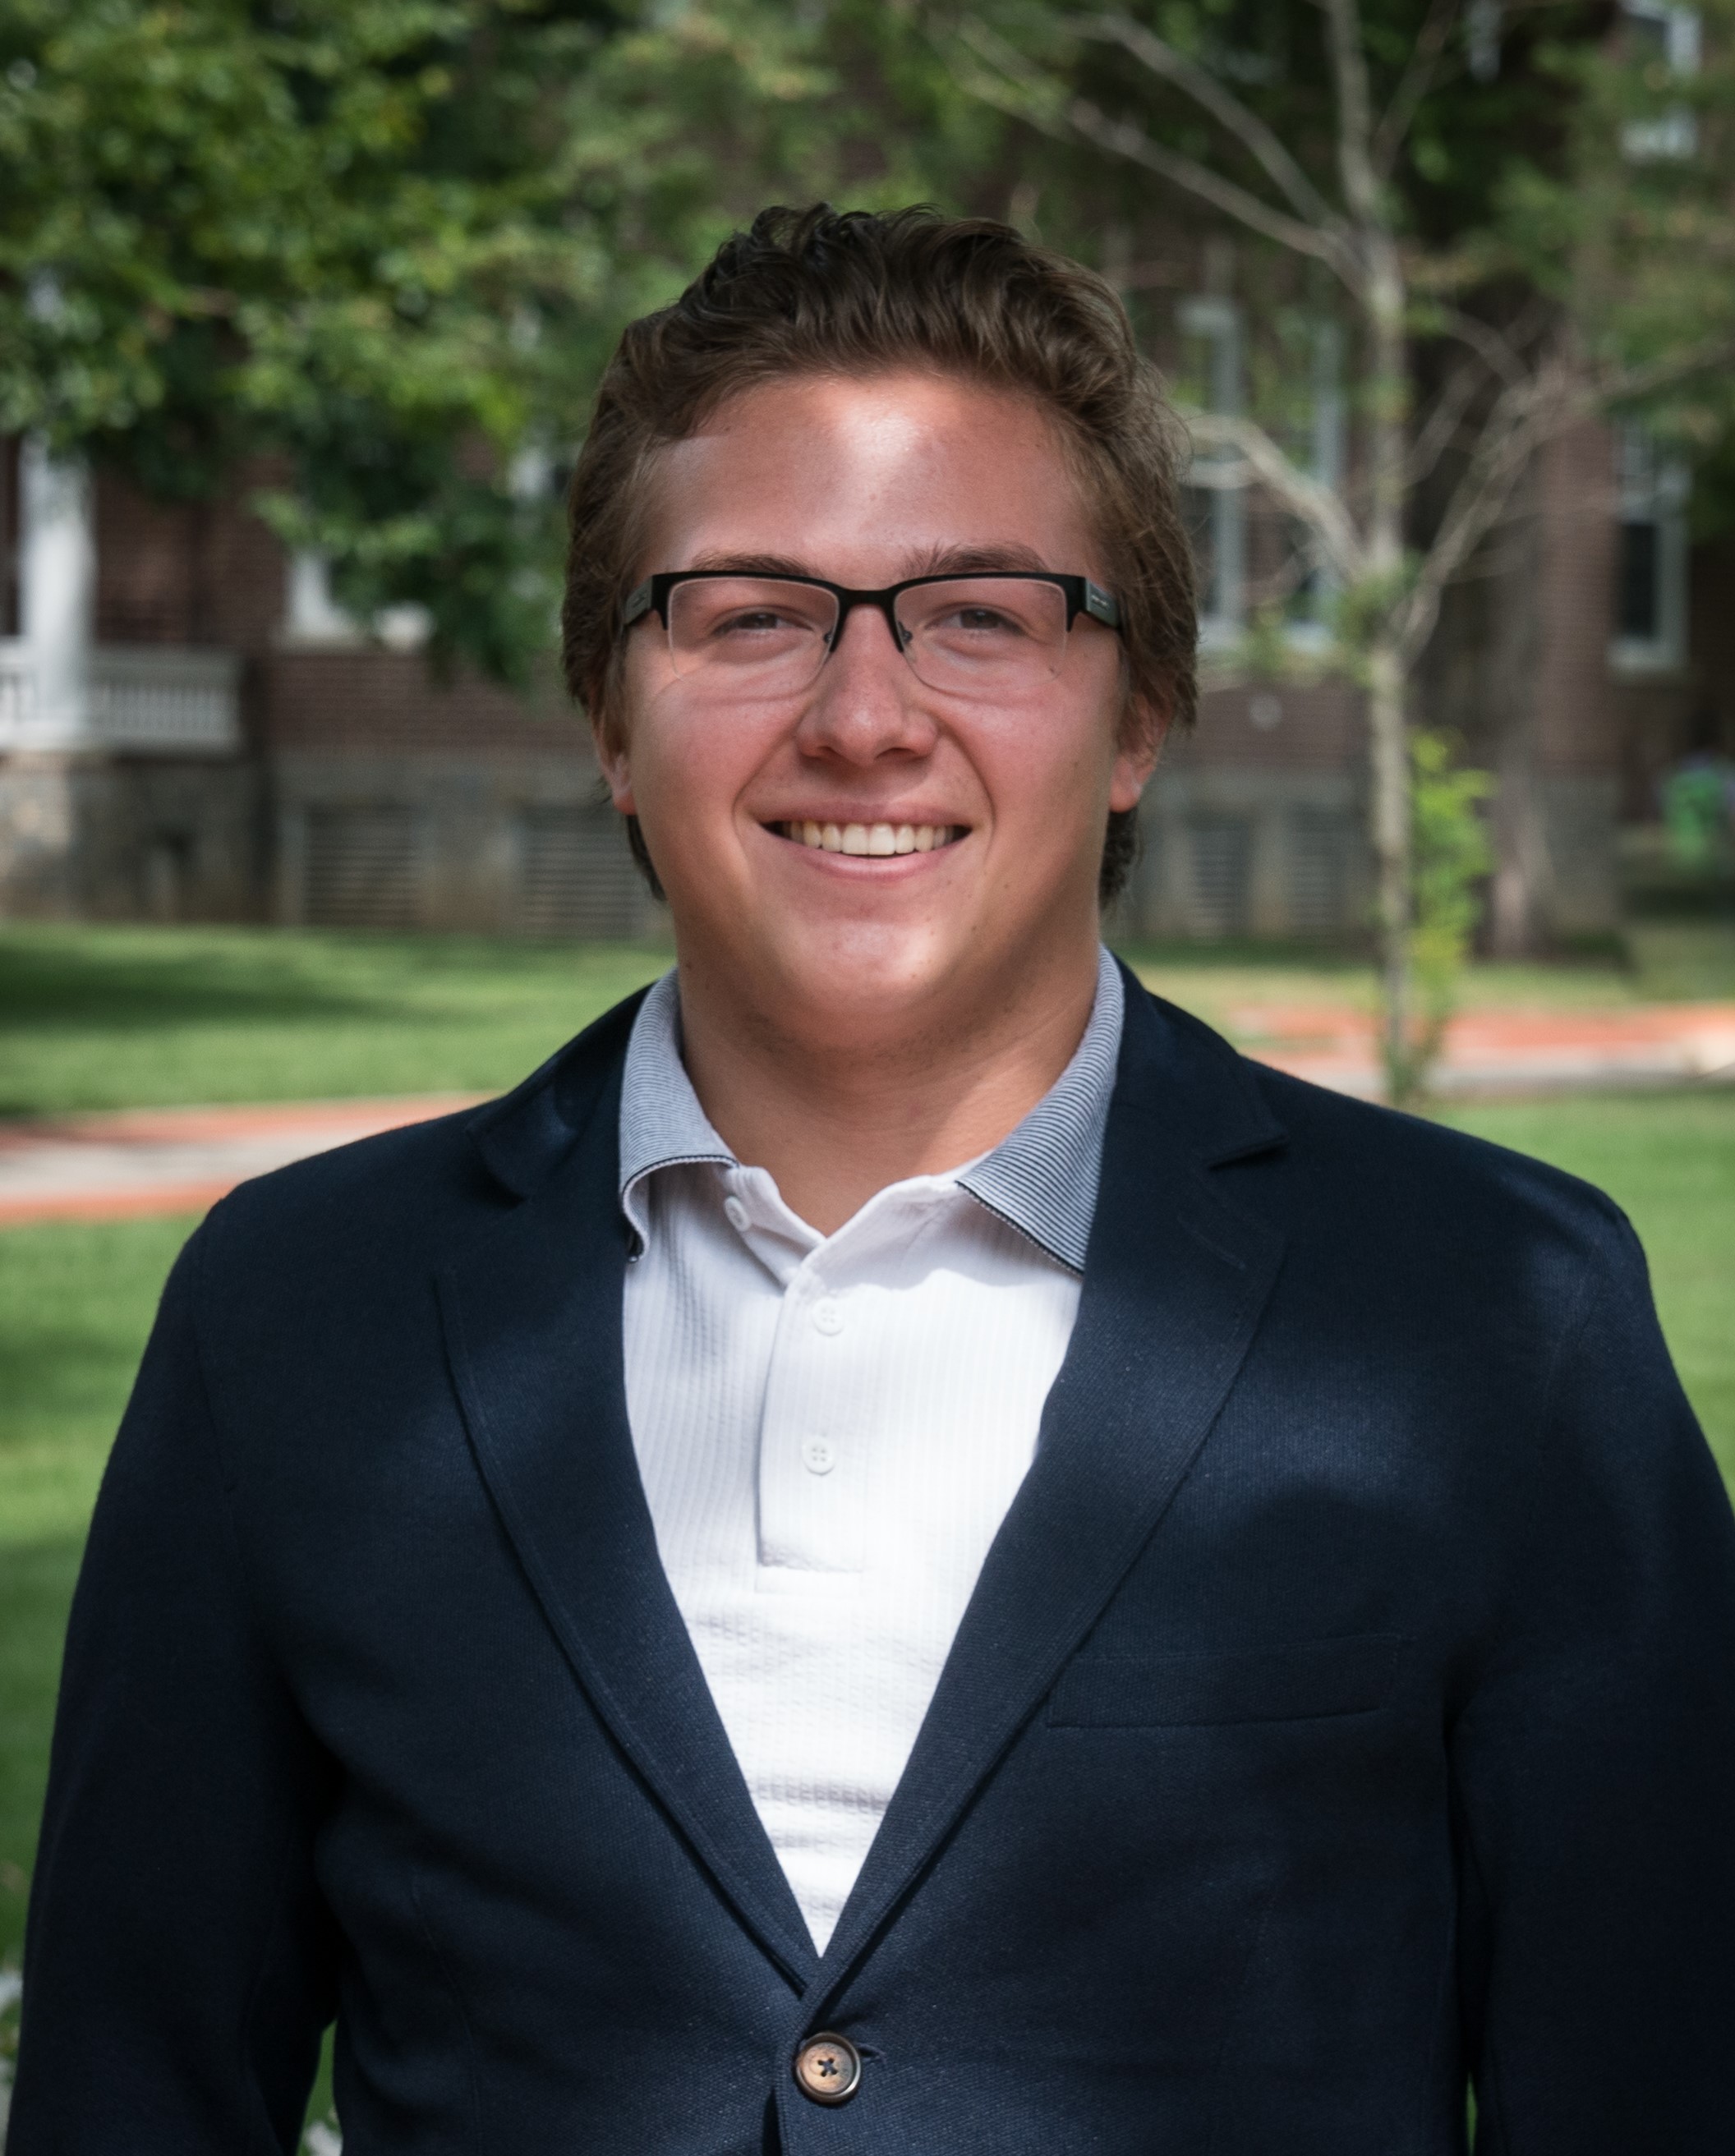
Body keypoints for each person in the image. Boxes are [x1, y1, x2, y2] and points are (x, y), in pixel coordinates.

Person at [12, 205, 1735, 2154]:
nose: (862, 715)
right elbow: (132, 2092)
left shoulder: (1493, 1314)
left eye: (981, 612)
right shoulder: (296, 1316)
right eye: (751, 612)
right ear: (610, 716)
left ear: (1137, 716)